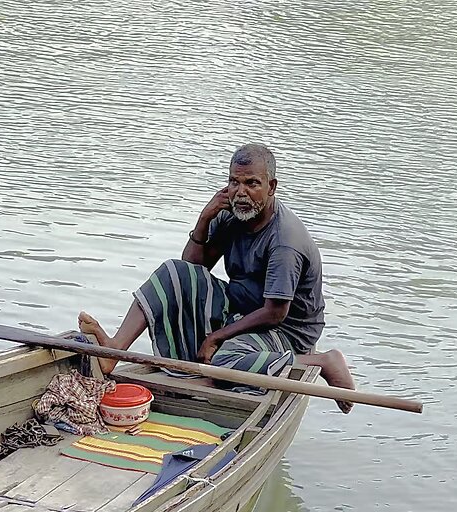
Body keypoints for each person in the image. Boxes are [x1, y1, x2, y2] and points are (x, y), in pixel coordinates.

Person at [78, 143, 357, 413]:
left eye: (252, 183)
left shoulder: (285, 241)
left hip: (285, 331)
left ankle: (320, 361)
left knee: (225, 358)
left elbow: (276, 313)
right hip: (240, 310)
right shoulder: (231, 215)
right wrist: (204, 218)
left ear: (271, 187)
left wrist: (216, 338)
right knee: (172, 272)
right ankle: (115, 349)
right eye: (234, 182)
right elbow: (192, 268)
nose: (241, 192)